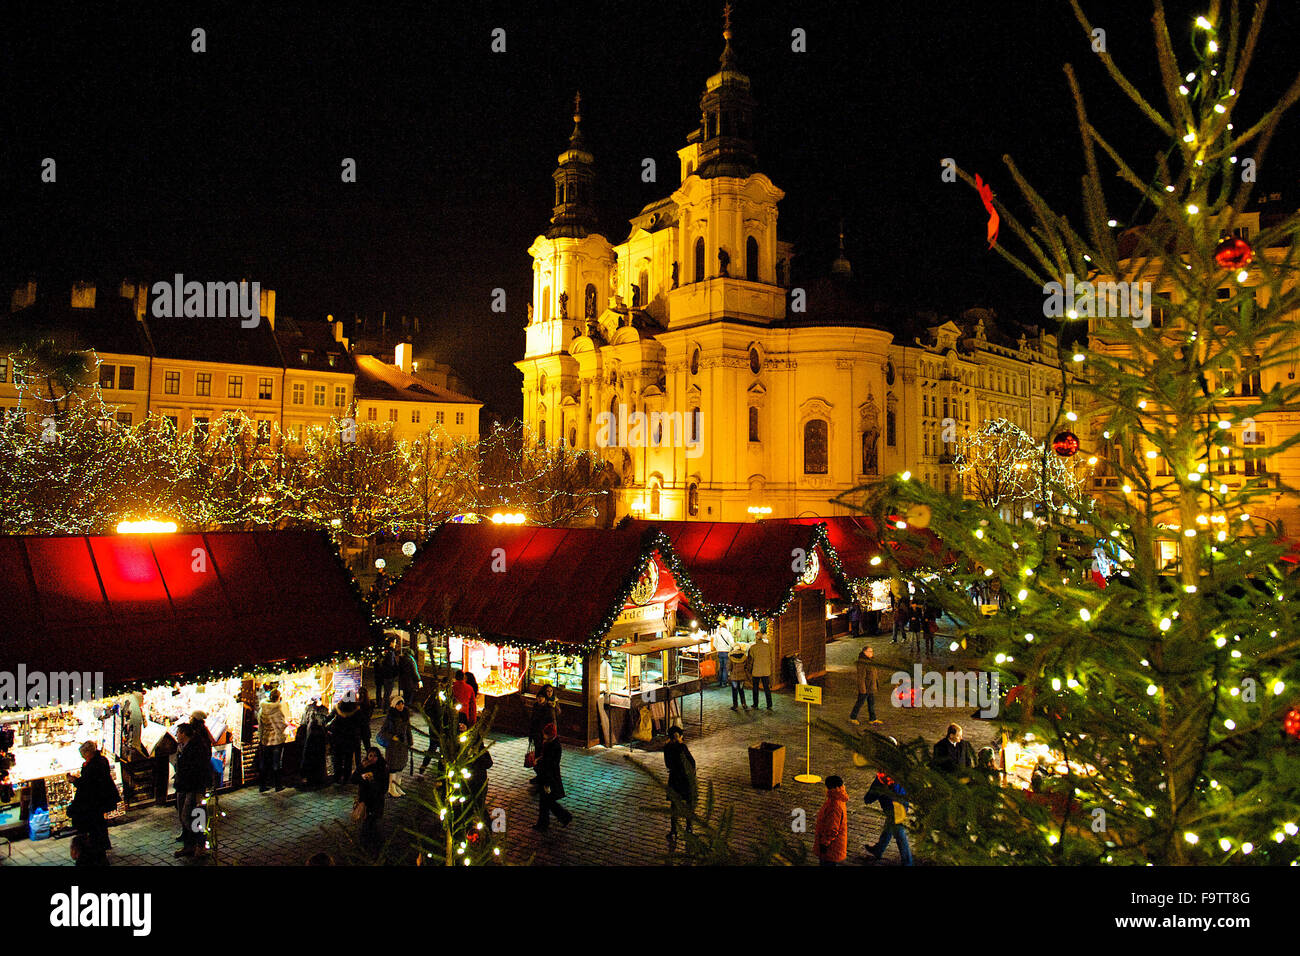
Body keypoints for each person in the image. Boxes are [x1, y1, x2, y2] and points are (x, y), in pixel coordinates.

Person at [67, 741, 118, 866]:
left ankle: (97, 850)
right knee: (99, 823)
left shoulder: (94, 765)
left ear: (89, 752)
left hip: (94, 801)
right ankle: (102, 848)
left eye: (83, 754)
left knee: (95, 826)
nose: (82, 756)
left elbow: (87, 784)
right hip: (100, 799)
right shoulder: (101, 760)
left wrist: (74, 780)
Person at [172, 721, 212, 858]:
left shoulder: (197, 747)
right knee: (183, 818)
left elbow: (199, 769)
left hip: (193, 788)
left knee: (193, 817)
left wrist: (200, 791)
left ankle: (199, 846)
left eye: (178, 733)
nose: (176, 735)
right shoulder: (182, 747)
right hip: (182, 786)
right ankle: (189, 846)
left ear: (183, 734)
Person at [863, 770, 912, 865]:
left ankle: (907, 862)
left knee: (899, 834)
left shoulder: (882, 778)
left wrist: (867, 799)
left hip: (892, 808)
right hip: (902, 804)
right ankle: (879, 849)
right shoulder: (898, 772)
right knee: (889, 827)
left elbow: (870, 796)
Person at [532, 723, 572, 831]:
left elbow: (549, 763)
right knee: (546, 801)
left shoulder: (553, 746)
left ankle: (560, 818)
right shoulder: (550, 743)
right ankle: (561, 818)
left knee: (546, 801)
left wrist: (538, 764)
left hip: (548, 778)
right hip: (546, 777)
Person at [663, 725, 697, 848]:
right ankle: (688, 828)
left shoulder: (667, 748)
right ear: (680, 736)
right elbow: (692, 762)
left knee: (674, 805)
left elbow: (667, 764)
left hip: (674, 779)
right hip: (685, 779)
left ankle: (673, 829)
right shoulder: (682, 747)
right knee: (688, 803)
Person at [353, 746, 389, 847]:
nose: (372, 758)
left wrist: (372, 780)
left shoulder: (382, 768)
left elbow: (383, 789)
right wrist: (361, 769)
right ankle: (366, 844)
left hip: (376, 802)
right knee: (366, 823)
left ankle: (374, 844)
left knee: (372, 823)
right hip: (364, 801)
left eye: (375, 756)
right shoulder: (364, 766)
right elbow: (353, 779)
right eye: (370, 755)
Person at [327, 697, 365, 785]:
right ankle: (346, 778)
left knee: (337, 758)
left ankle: (337, 777)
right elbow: (362, 724)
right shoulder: (356, 710)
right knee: (348, 759)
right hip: (350, 738)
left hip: (337, 737)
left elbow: (328, 718)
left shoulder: (337, 708)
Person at [380, 696, 413, 796]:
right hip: (393, 746)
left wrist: (410, 742)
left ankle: (398, 787)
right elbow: (383, 732)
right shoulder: (390, 717)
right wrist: (392, 737)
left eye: (402, 703)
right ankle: (391, 788)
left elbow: (408, 729)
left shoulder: (405, 715)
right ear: (394, 705)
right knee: (393, 767)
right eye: (398, 704)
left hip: (403, 745)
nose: (401, 706)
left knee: (401, 766)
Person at [257, 689, 288, 792]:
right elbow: (281, 725)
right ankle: (278, 785)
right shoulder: (277, 709)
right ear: (278, 697)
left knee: (264, 762)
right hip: (276, 740)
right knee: (276, 762)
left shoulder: (262, 709)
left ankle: (262, 785)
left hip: (266, 739)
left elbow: (260, 724)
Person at [814, 775, 849, 866]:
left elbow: (832, 828)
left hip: (831, 847)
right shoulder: (838, 797)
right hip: (834, 844)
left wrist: (824, 843)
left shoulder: (834, 805)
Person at [528, 685, 560, 784]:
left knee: (546, 756)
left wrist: (550, 735)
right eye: (547, 691)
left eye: (551, 691)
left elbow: (554, 718)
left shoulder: (550, 706)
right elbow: (533, 720)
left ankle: (545, 777)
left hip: (547, 735)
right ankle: (540, 775)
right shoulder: (537, 706)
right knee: (538, 755)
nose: (549, 693)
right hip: (538, 734)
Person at [849, 646, 881, 725]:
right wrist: (862, 689)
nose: (871, 653)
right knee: (860, 702)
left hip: (871, 687)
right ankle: (853, 717)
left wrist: (876, 683)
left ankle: (872, 719)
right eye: (869, 651)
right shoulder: (862, 663)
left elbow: (874, 674)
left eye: (872, 651)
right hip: (865, 687)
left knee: (871, 703)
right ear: (864, 652)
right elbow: (861, 677)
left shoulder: (871, 661)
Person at [749, 630, 773, 710]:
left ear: (756, 638)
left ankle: (755, 704)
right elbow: (770, 657)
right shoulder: (768, 646)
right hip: (766, 670)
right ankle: (769, 704)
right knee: (767, 688)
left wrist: (749, 670)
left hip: (756, 670)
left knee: (755, 688)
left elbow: (751, 660)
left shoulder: (753, 648)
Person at [376, 639, 399, 709]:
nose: (395, 644)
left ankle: (384, 706)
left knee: (386, 692)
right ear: (391, 643)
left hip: (386, 675)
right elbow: (391, 664)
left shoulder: (385, 652)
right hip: (389, 675)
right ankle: (386, 707)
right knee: (388, 692)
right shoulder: (390, 652)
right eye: (394, 642)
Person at [728, 644, 751, 711]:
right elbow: (747, 666)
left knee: (734, 691)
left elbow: (729, 667)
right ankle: (744, 704)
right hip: (742, 676)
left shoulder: (731, 658)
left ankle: (735, 705)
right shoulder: (744, 657)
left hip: (734, 676)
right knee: (741, 690)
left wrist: (729, 674)